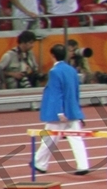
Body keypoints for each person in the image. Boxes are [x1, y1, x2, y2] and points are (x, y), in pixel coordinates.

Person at [34, 43, 89, 175]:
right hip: (72, 109)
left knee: (49, 137)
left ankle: (40, 163)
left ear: (52, 55)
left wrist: (59, 112)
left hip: (58, 112)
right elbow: (76, 91)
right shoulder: (72, 70)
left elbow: (56, 93)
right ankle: (83, 165)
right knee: (76, 138)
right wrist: (77, 110)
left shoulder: (54, 72)